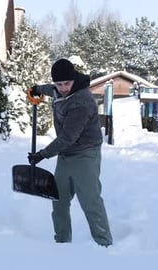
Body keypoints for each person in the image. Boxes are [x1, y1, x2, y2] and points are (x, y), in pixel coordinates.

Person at [27, 58, 113, 247]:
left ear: (74, 79)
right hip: (66, 155)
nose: (64, 87)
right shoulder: (58, 90)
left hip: (85, 153)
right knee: (59, 199)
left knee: (90, 200)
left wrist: (42, 154)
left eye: (67, 83)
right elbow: (51, 90)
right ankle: (62, 244)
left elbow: (67, 137)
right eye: (60, 84)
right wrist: (37, 89)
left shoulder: (82, 101)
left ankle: (104, 244)